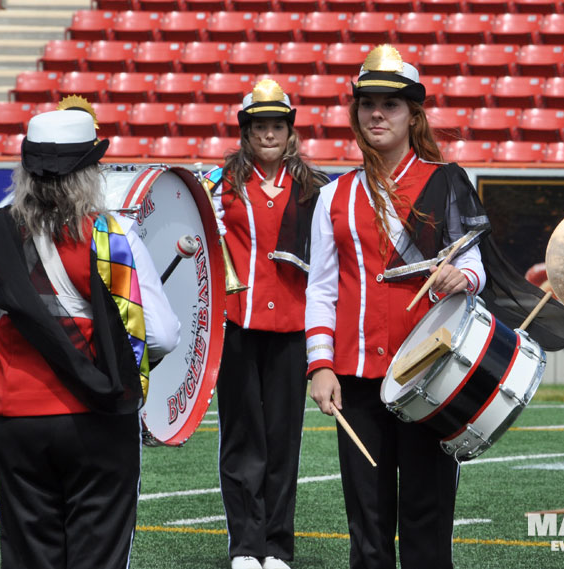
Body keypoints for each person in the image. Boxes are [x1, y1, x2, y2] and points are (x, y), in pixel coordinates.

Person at [305, 45, 564, 569]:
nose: (377, 114)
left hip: (432, 374)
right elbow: (321, 289)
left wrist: (461, 275)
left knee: (428, 518)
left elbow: (475, 269)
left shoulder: (446, 181)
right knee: (367, 521)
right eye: (367, 104)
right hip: (357, 374)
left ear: (413, 115)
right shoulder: (332, 195)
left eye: (391, 104)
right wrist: (319, 364)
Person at [0, 109, 180, 568]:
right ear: (88, 173)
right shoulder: (113, 234)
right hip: (100, 419)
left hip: (17, 420)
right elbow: (160, 336)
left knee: (27, 555)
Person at [211, 79, 328, 569]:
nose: (268, 133)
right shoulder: (221, 184)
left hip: (293, 330)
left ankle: (277, 546)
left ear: (289, 131)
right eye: (260, 125)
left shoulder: (315, 188)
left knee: (283, 439)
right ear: (247, 131)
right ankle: (245, 545)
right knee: (242, 439)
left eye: (277, 125)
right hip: (236, 325)